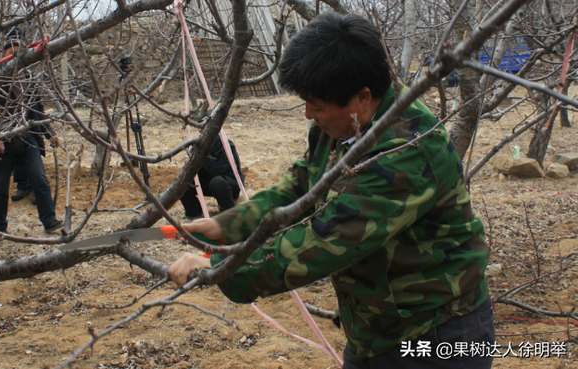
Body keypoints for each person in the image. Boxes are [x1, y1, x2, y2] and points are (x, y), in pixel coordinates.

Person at [170, 12, 493, 369]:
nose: (309, 114)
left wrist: (220, 264)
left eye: (318, 105)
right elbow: (301, 186)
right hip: (375, 327)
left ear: (362, 98)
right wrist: (229, 224)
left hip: (437, 332)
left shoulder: (407, 151)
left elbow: (327, 240)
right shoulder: (342, 123)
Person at [0, 28, 62, 234]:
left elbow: (37, 110)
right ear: (3, 57)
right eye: (10, 54)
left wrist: (49, 132)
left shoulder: (30, 79)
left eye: (18, 54)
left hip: (28, 138)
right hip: (4, 140)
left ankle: (49, 220)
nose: (14, 58)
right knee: (0, 188)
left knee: (40, 180)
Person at [179, 135, 244, 219]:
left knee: (217, 183)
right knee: (182, 182)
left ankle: (228, 216)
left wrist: (203, 156)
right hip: (210, 182)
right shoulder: (200, 145)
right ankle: (195, 215)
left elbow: (220, 171)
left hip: (229, 182)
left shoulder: (225, 145)